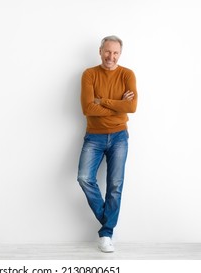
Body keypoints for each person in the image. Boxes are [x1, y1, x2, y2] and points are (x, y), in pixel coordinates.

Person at [77, 35, 137, 253]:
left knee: (115, 185)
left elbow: (132, 107)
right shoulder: (89, 74)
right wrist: (118, 104)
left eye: (115, 53)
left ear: (120, 54)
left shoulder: (127, 74)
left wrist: (102, 101)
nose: (111, 56)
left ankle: (106, 234)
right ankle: (107, 219)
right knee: (84, 178)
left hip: (120, 136)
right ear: (100, 50)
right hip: (94, 136)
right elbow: (87, 108)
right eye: (107, 51)